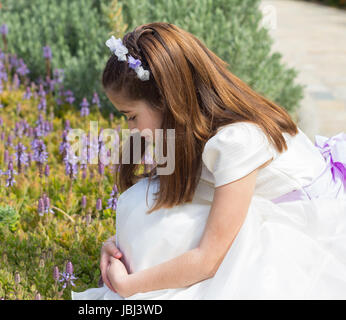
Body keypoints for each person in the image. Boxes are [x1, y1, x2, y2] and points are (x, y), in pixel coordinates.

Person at [71, 22, 346, 300]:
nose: (131, 128)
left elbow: (208, 260)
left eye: (131, 116)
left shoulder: (236, 142)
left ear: (166, 102)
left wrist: (130, 285)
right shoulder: (190, 131)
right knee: (145, 203)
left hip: (311, 223)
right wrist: (116, 246)